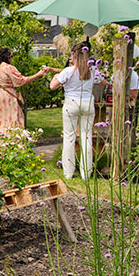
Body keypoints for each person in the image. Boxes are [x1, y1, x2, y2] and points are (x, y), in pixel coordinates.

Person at [50, 44, 97, 180]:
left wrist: (57, 76)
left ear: (74, 56)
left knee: (69, 137)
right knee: (86, 137)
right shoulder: (92, 71)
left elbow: (53, 86)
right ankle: (86, 173)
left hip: (71, 102)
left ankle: (68, 172)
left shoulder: (68, 71)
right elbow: (104, 82)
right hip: (88, 103)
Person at [0, 48, 56, 134]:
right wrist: (38, 74)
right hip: (5, 96)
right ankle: (10, 142)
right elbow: (22, 80)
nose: (12, 58)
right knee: (10, 119)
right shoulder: (8, 68)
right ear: (7, 57)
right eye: (11, 56)